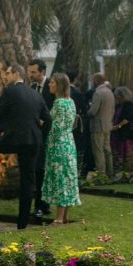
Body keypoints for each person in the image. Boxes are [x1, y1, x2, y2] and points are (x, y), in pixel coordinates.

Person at [0, 63, 51, 230]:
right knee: (28, 181)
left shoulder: (9, 91)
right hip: (33, 141)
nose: (5, 77)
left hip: (14, 140)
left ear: (16, 74)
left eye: (8, 74)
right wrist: (40, 136)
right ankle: (23, 223)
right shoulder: (35, 94)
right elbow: (48, 119)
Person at [41, 73, 80, 224]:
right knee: (68, 178)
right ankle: (64, 216)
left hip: (58, 145)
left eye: (52, 83)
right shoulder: (70, 101)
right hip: (69, 143)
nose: (49, 85)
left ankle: (58, 218)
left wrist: (42, 124)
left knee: (59, 180)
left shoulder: (59, 103)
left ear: (59, 85)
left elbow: (55, 127)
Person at [28, 58, 53, 218]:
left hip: (47, 136)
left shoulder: (51, 87)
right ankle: (41, 204)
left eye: (34, 72)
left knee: (43, 171)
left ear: (43, 72)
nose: (31, 75)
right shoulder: (31, 87)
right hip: (34, 136)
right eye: (29, 72)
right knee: (37, 171)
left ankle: (42, 205)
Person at [88, 72, 114, 178]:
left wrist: (87, 110)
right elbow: (112, 109)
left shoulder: (98, 93)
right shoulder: (109, 92)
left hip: (98, 126)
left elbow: (93, 111)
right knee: (107, 149)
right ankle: (110, 172)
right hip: (108, 124)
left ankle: (101, 174)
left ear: (96, 81)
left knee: (98, 150)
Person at [110, 86, 133, 177]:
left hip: (126, 133)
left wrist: (118, 126)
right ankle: (118, 169)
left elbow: (128, 118)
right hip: (117, 133)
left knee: (126, 153)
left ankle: (127, 172)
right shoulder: (118, 105)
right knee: (117, 152)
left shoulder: (129, 105)